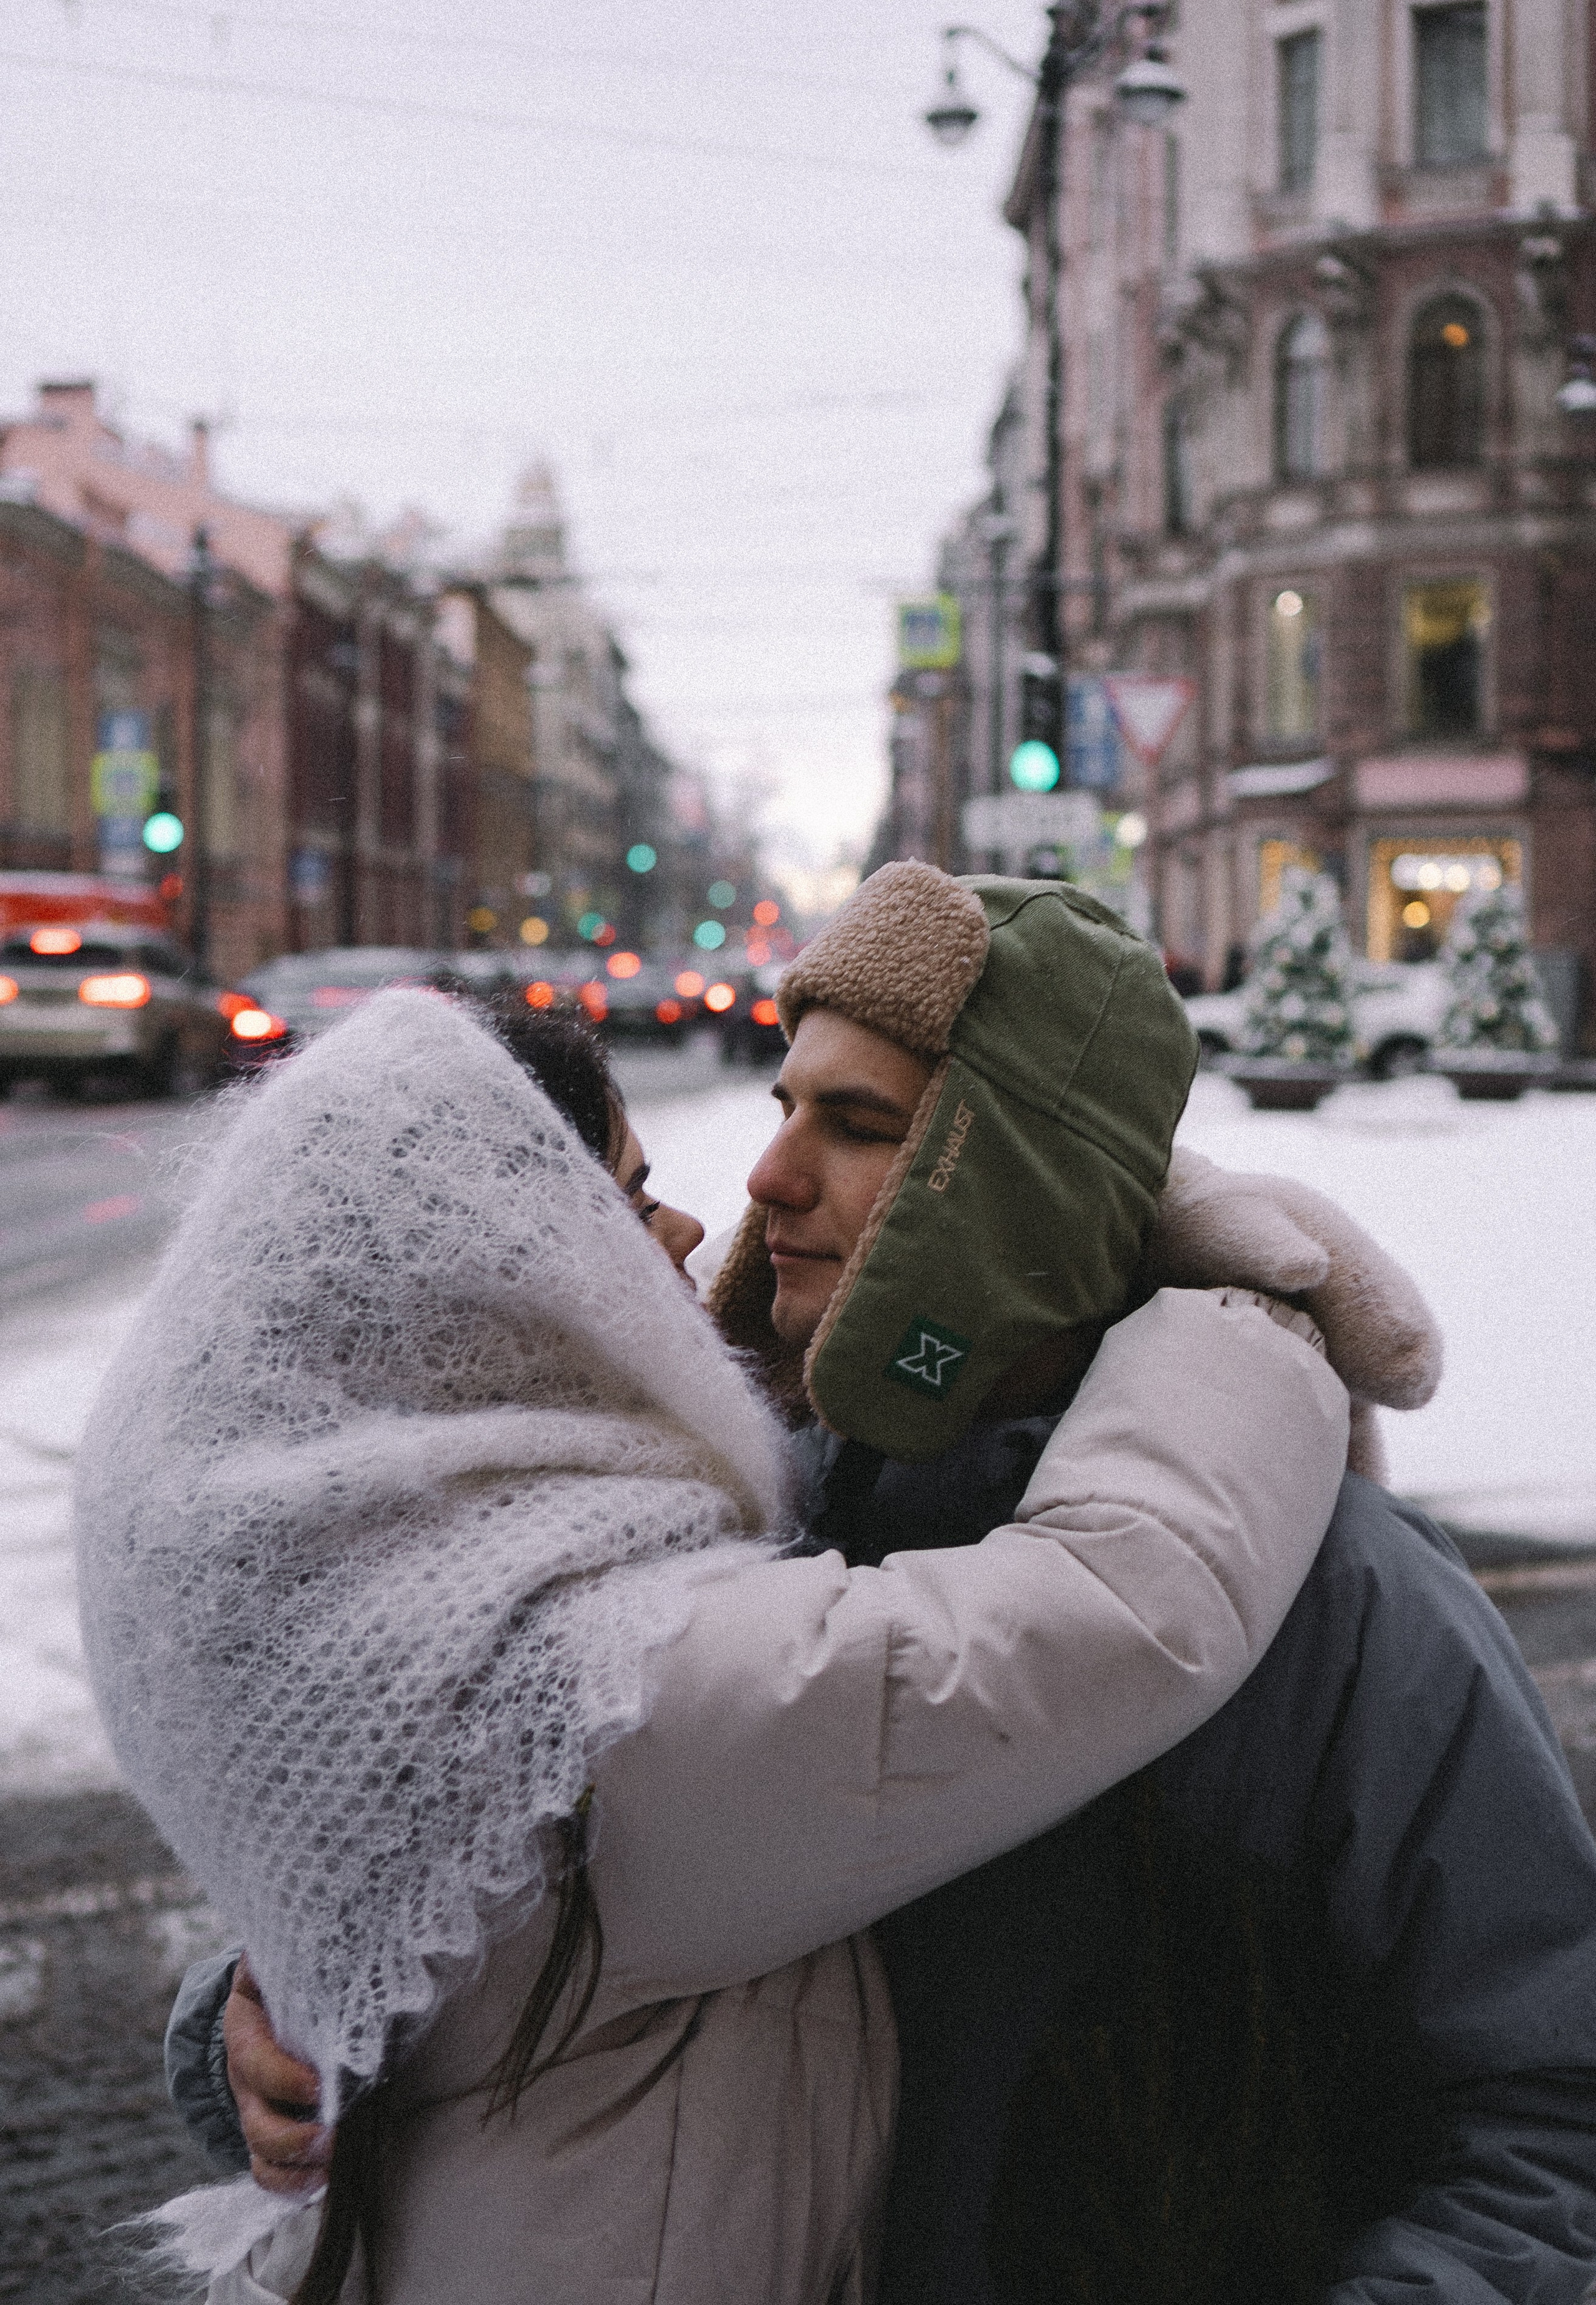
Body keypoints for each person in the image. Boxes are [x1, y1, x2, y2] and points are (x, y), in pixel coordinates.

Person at [183, 867, 1596, 2301]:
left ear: (1016, 1199)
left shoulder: (1335, 1599)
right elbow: (525, 1889)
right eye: (782, 1107)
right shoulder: (728, 1529)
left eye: (856, 1128)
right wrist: (269, 2016)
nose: (766, 1179)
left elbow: (1549, 2124)